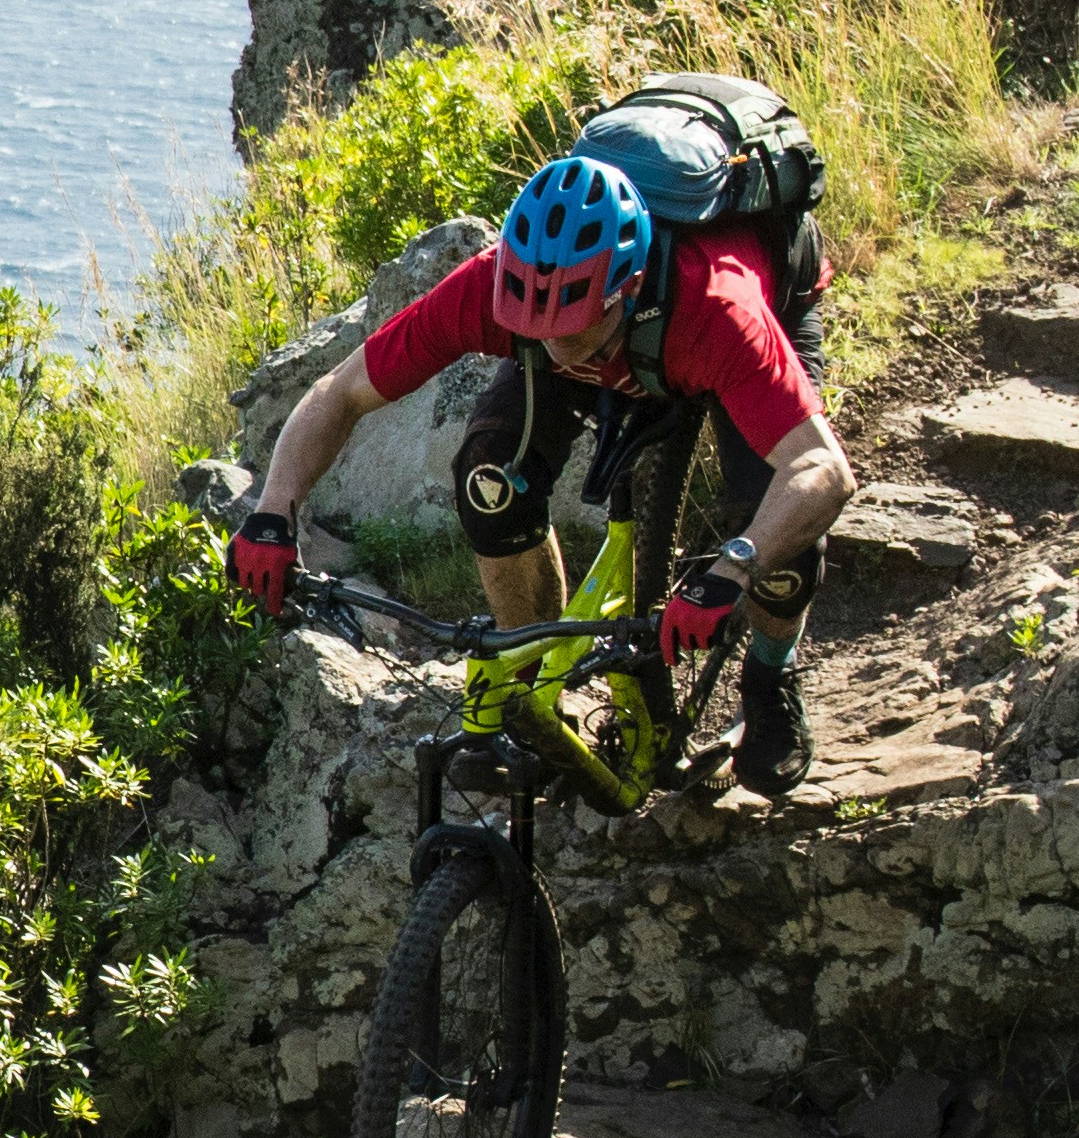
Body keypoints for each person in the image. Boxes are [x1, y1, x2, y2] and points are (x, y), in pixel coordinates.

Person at [221, 102, 857, 796]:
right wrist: (272, 507)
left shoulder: (718, 310)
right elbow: (340, 391)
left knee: (779, 534)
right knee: (488, 479)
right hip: (622, 338)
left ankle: (770, 679)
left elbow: (821, 470)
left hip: (738, 316)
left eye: (573, 330)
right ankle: (530, 686)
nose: (556, 346)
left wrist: (732, 569)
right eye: (537, 327)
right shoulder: (501, 294)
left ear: (628, 284)